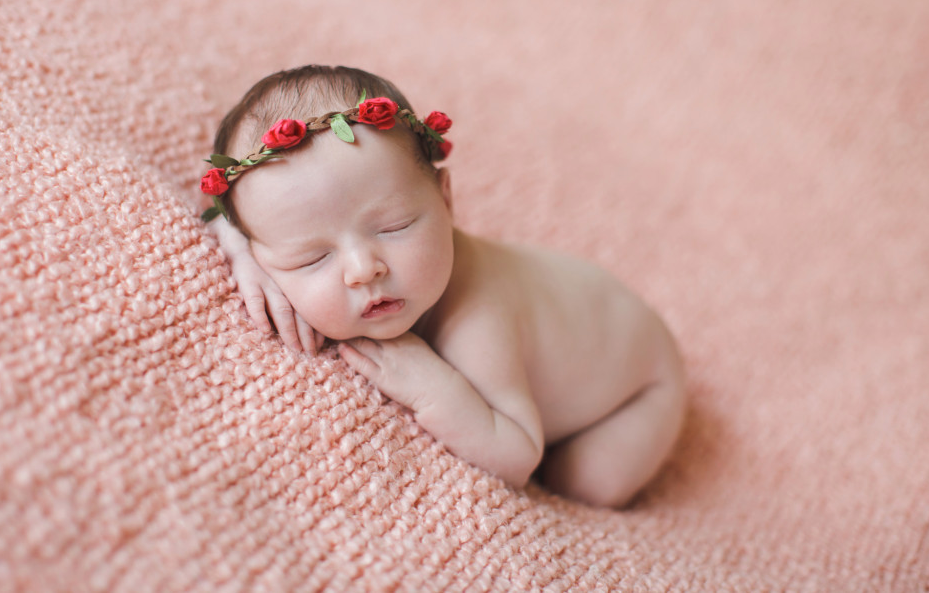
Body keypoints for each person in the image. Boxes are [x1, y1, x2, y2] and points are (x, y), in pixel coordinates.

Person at [202, 65, 685, 508]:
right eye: (312, 257)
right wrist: (237, 248)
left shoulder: (475, 318)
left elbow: (518, 455)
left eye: (394, 227)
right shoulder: (265, 239)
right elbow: (229, 214)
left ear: (446, 200)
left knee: (584, 482)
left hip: (640, 383)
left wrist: (435, 392)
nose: (362, 269)